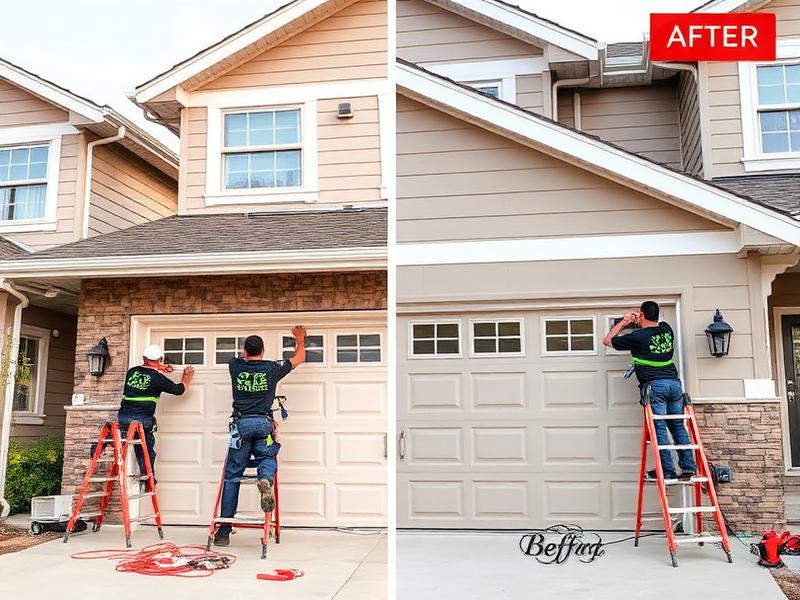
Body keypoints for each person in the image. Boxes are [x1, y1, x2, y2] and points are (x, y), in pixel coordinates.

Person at [214, 325, 307, 547]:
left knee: (232, 475)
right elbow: (300, 357)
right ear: (263, 352)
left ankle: (224, 531)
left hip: (241, 426)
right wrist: (300, 339)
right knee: (267, 458)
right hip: (263, 425)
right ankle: (264, 479)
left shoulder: (235, 366)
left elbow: (241, 357)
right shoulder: (272, 368)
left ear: (244, 351)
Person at [602, 301, 697, 481]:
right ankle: (689, 468)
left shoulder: (638, 337)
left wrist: (624, 321)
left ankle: (667, 471)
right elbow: (658, 322)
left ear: (642, 315)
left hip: (655, 387)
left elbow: (607, 341)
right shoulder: (667, 329)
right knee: (677, 426)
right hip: (675, 386)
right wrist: (643, 318)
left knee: (659, 428)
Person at [117, 344, 195, 481]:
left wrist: (160, 368)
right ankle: (148, 477)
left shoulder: (132, 372)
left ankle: (108, 445)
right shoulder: (158, 379)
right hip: (142, 421)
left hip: (123, 418)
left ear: (143, 358)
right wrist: (186, 380)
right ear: (160, 359)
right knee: (146, 450)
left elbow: (146, 371)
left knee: (137, 443)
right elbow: (179, 390)